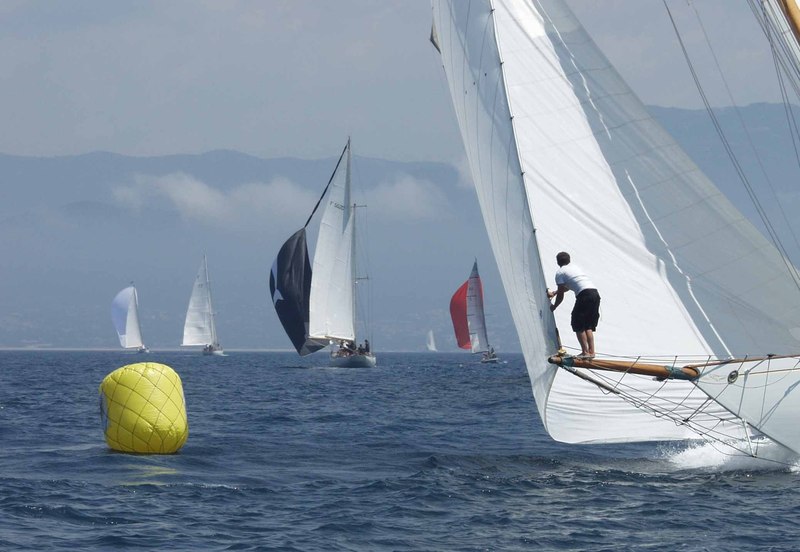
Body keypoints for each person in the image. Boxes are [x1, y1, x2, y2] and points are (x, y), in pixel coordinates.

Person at [547, 251, 600, 359]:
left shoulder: (560, 273)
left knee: (577, 323)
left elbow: (561, 294)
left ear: (557, 262)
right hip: (595, 294)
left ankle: (585, 353)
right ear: (569, 260)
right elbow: (568, 287)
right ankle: (591, 352)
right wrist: (554, 293)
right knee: (587, 325)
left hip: (584, 295)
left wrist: (554, 307)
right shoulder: (575, 268)